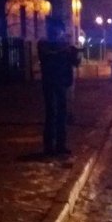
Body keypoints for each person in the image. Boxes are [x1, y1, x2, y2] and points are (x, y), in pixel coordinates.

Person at [37, 16, 80, 156]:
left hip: (62, 83)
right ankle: (49, 146)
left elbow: (75, 62)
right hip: (50, 83)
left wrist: (74, 54)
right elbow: (47, 55)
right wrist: (66, 49)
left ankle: (60, 145)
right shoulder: (44, 44)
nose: (58, 33)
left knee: (62, 113)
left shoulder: (65, 46)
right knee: (52, 113)